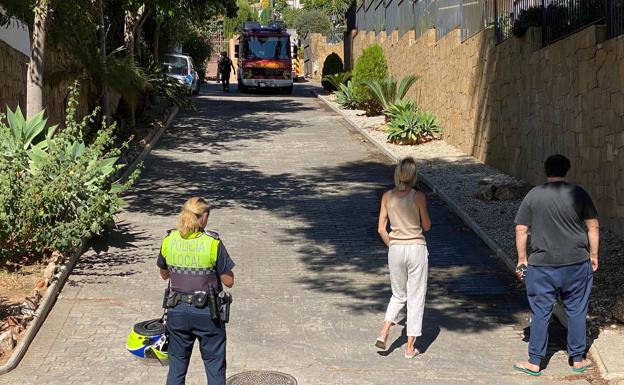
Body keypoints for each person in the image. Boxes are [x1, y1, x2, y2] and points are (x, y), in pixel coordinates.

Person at [513, 154, 599, 376]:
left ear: (546, 170)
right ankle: (578, 359)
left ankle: (535, 362)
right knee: (577, 311)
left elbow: (521, 229)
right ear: (567, 170)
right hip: (577, 263)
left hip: (542, 266)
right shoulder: (578, 193)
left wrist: (522, 259)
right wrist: (594, 254)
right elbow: (593, 227)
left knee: (540, 312)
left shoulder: (533, 195)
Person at [157, 197, 235, 385]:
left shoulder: (169, 239)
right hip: (208, 314)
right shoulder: (212, 243)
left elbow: (164, 274)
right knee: (214, 365)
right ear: (204, 216)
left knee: (177, 367)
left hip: (177, 312)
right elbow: (229, 281)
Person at [376, 157, 432, 358]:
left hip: (396, 248)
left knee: (398, 294)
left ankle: (384, 331)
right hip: (416, 247)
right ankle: (409, 348)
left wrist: (392, 245)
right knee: (416, 296)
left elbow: (381, 228)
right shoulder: (418, 196)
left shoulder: (387, 196)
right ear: (413, 175)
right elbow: (426, 226)